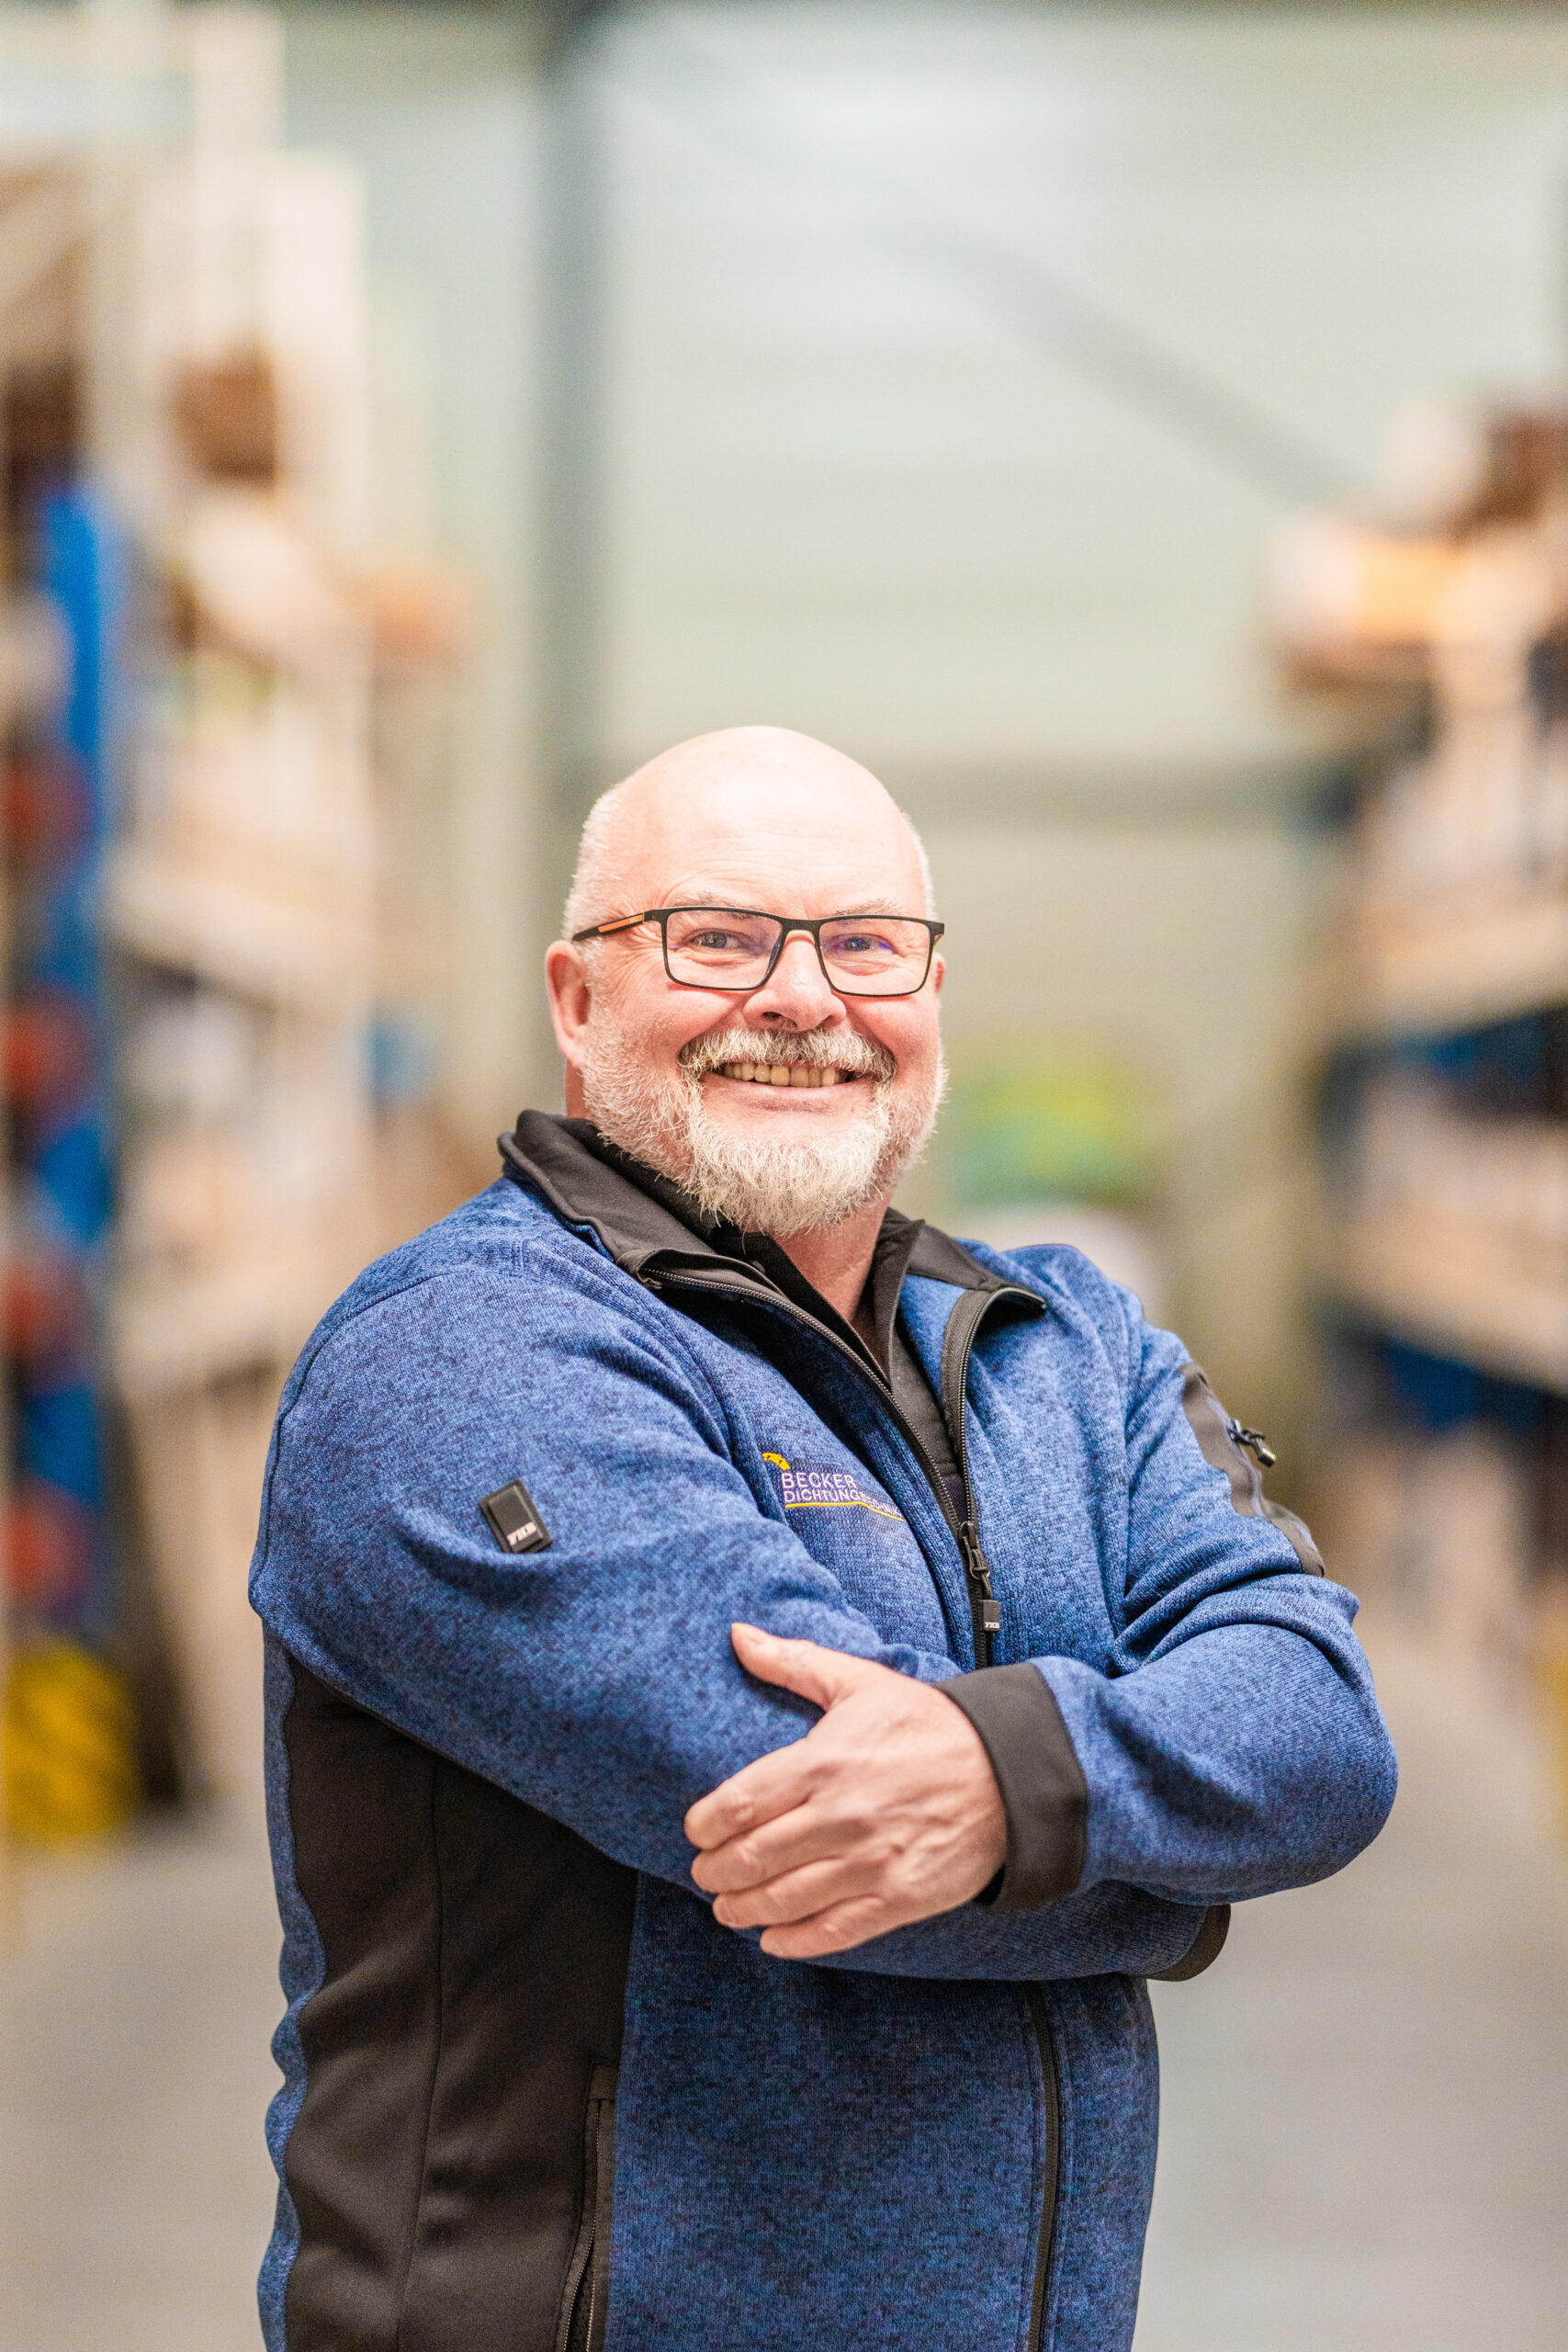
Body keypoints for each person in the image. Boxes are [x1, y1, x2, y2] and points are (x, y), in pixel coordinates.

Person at [253, 726, 1396, 2352]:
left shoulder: (1065, 1343)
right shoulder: (460, 1361)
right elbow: (798, 1818)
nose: (803, 1000)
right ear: (578, 999)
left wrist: (1015, 1789)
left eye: (867, 944)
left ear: (930, 998)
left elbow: (1326, 1728)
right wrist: (1182, 1856)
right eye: (716, 939)